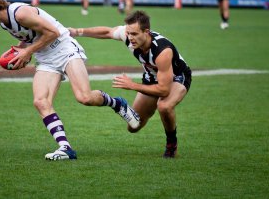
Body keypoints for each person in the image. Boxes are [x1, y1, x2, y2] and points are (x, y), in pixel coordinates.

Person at [0, 0, 140, 161]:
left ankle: (118, 104)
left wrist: (27, 51)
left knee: (85, 98)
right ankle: (65, 148)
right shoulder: (4, 22)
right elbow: (30, 36)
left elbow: (54, 32)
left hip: (64, 48)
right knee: (40, 101)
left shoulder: (20, 13)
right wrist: (22, 50)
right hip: (45, 57)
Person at [69, 11, 192, 158]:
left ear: (146, 32)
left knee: (164, 106)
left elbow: (164, 90)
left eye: (134, 34)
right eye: (128, 33)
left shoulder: (162, 51)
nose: (130, 38)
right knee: (134, 126)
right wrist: (77, 32)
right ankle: (120, 104)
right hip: (152, 78)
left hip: (177, 77)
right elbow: (108, 32)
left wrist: (132, 85)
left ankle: (171, 144)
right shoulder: (128, 35)